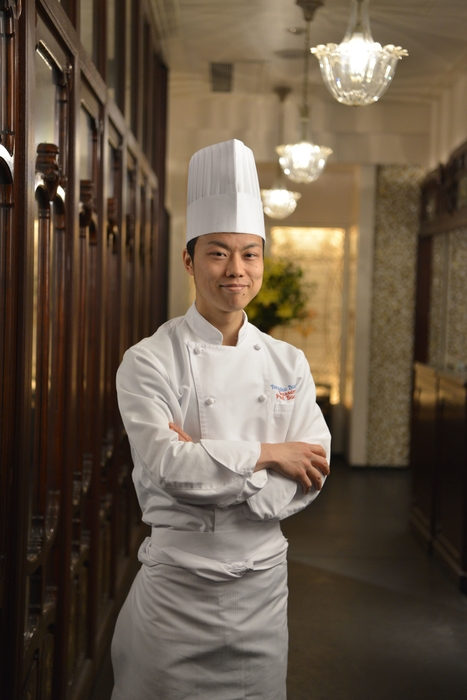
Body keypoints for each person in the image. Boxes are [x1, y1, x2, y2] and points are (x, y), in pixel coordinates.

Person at [111, 139, 331, 700]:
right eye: (218, 253)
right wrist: (270, 455)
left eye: (250, 254)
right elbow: (169, 468)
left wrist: (214, 470)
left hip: (264, 588)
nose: (236, 270)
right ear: (189, 261)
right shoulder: (148, 361)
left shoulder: (288, 362)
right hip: (177, 590)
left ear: (262, 261)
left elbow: (313, 466)